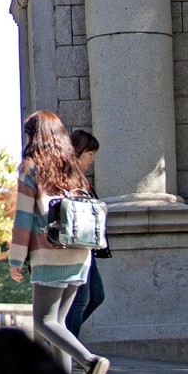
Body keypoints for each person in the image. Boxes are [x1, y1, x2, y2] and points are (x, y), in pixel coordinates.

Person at [8, 111, 111, 374]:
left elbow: (23, 219)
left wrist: (16, 259)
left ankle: (90, 362)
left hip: (50, 255)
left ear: (34, 136)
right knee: (58, 326)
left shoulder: (31, 168)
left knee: (44, 321)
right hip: (80, 255)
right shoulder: (72, 168)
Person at [65, 129, 108, 340]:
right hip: (75, 248)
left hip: (88, 247)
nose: (91, 159)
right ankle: (66, 348)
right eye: (89, 153)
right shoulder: (66, 180)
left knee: (96, 297)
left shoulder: (82, 181)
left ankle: (59, 338)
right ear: (78, 152)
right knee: (81, 299)